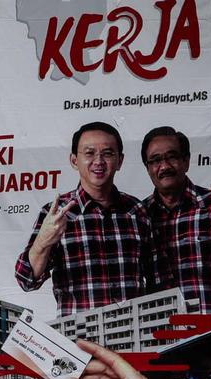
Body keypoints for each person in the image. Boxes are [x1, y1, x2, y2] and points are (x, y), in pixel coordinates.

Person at [15, 121, 158, 316]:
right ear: (74, 161)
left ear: (120, 161)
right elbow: (26, 280)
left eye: (107, 153)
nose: (98, 161)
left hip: (132, 331)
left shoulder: (138, 212)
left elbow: (157, 281)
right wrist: (42, 242)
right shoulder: (57, 213)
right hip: (78, 334)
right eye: (89, 153)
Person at [140, 126, 211, 314]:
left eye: (172, 157)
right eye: (156, 160)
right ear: (148, 168)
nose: (164, 166)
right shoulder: (141, 214)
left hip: (208, 327)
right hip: (161, 329)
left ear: (186, 161)